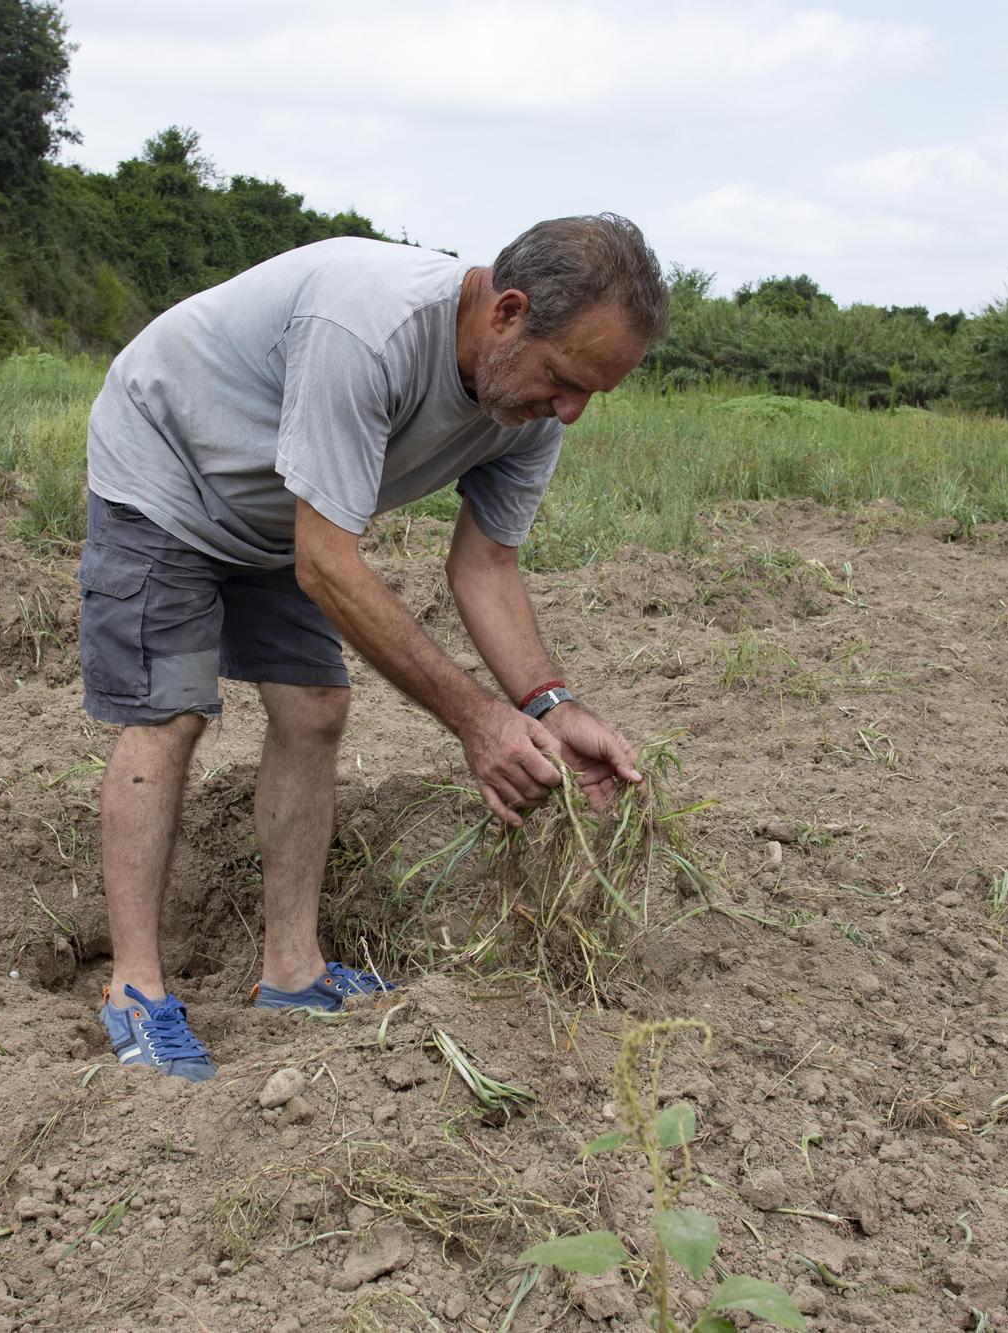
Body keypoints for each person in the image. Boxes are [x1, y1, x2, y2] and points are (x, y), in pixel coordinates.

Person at [78, 214, 669, 1080]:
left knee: (316, 705)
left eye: (592, 395)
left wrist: (549, 704)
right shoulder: (368, 330)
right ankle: (136, 991)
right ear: (507, 312)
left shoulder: (530, 410)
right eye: (565, 380)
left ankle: (293, 972)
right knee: (170, 712)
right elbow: (326, 562)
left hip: (283, 503)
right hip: (168, 467)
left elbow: (486, 565)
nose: (570, 413)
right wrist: (474, 720)